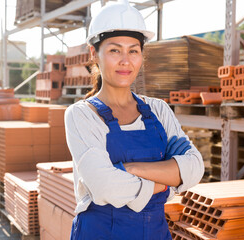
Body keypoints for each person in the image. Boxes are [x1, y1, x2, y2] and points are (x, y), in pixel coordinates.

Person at [64, 0, 204, 239]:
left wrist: (130, 169)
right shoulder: (82, 115)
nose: (125, 61)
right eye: (114, 50)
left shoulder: (158, 110)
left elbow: (194, 167)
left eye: (133, 50)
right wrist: (164, 182)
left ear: (141, 55)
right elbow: (106, 186)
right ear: (94, 54)